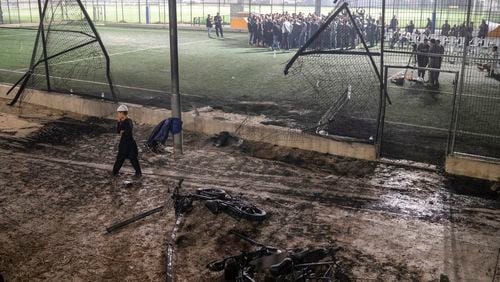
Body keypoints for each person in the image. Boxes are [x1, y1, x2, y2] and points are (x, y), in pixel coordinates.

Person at [113, 105, 142, 178]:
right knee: (122, 158)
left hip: (128, 143)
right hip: (125, 143)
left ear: (122, 113)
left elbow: (127, 132)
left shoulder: (128, 121)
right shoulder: (122, 121)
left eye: (119, 113)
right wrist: (119, 122)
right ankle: (115, 172)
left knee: (131, 158)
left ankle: (138, 173)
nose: (118, 114)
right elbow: (118, 131)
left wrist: (122, 129)